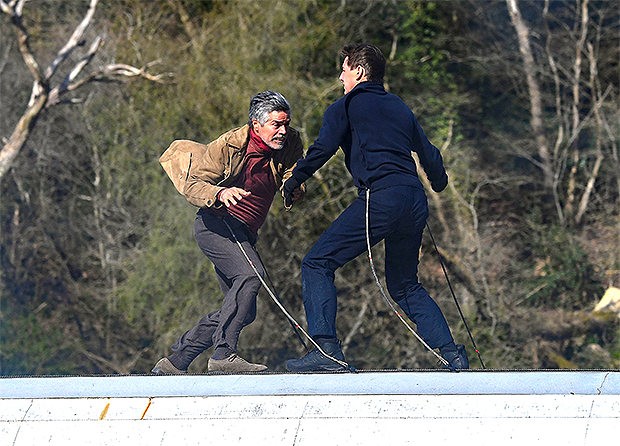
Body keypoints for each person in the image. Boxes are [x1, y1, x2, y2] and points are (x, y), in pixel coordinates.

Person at [283, 43, 468, 372]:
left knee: (317, 263)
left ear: (358, 71)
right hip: (413, 200)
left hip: (381, 198)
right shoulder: (400, 107)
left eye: (344, 69)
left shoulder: (345, 107)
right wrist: (439, 181)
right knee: (404, 284)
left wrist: (294, 179)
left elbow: (323, 147)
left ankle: (326, 352)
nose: (340, 77)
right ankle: (453, 355)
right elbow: (430, 154)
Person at [152, 91, 305, 374]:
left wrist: (293, 187)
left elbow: (294, 173)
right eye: (276, 124)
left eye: (286, 123)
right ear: (256, 125)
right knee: (250, 277)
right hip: (216, 225)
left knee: (243, 310)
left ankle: (177, 361)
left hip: (245, 233)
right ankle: (223, 355)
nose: (283, 131)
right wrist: (220, 192)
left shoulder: (292, 141)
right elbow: (194, 184)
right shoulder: (229, 145)